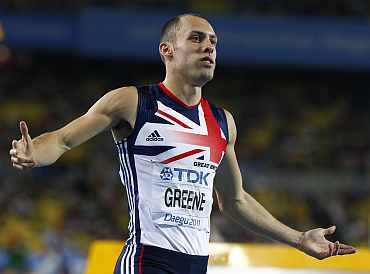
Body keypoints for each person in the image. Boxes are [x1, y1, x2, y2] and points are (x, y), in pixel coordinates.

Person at [9, 14, 356, 274]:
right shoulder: (131, 102)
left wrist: (298, 239)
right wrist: (34, 151)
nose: (209, 47)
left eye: (214, 42)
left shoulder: (222, 123)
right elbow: (64, 140)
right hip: (147, 259)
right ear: (167, 50)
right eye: (196, 39)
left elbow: (234, 200)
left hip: (196, 264)